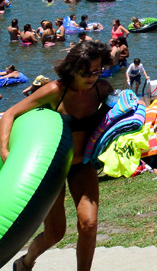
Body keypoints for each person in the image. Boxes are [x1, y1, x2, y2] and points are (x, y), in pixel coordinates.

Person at [0, 39, 114, 271]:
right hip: (51, 168)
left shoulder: (102, 89)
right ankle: (25, 262)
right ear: (73, 69)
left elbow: (116, 116)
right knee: (55, 233)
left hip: (82, 164)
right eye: (86, 72)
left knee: (89, 224)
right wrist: (5, 150)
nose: (92, 76)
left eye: (97, 70)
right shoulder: (55, 91)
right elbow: (9, 114)